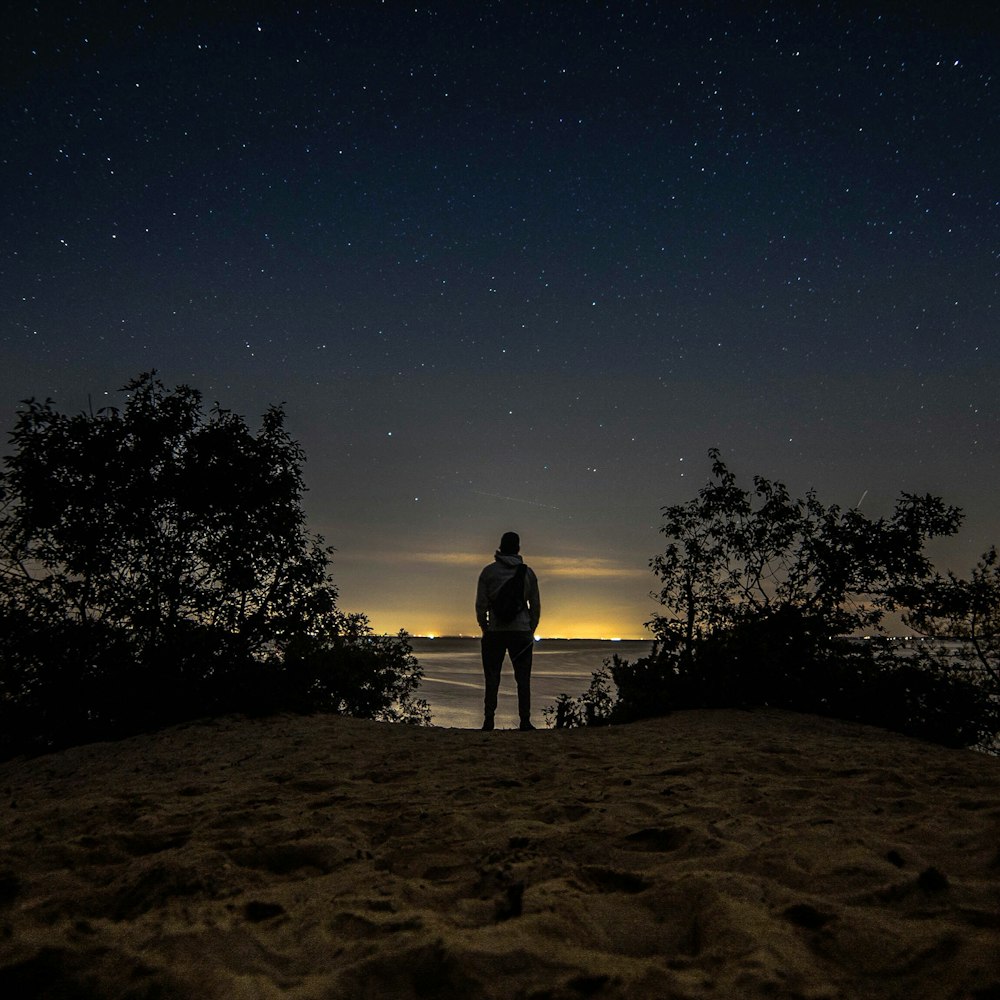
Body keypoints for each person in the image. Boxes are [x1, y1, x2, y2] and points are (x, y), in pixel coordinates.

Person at [475, 531, 541, 731]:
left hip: (495, 632)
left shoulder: (488, 572)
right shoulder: (527, 573)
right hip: (521, 631)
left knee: (492, 677)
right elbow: (535, 607)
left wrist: (485, 627)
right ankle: (525, 720)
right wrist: (530, 629)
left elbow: (481, 606)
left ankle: (489, 720)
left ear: (500, 547)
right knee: (523, 678)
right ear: (518, 548)